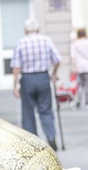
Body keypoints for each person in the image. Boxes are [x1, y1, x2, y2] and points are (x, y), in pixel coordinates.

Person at [11, 18, 61, 148]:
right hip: (43, 77)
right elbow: (57, 59)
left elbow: (16, 66)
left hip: (27, 79)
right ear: (38, 29)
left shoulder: (21, 43)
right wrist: (54, 74)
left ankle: (32, 143)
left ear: (25, 30)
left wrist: (15, 85)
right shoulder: (46, 40)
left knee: (28, 112)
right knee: (46, 110)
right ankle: (51, 136)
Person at [70, 27, 88, 108]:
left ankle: (79, 100)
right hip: (87, 66)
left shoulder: (74, 44)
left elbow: (73, 57)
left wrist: (74, 67)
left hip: (79, 67)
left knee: (80, 85)